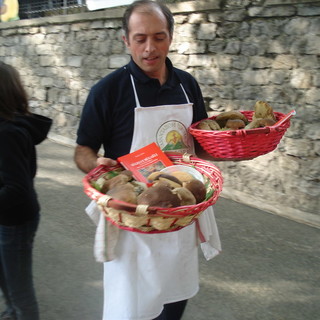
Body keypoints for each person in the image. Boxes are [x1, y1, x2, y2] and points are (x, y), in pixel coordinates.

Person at [74, 1, 221, 319]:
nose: (150, 48)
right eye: (140, 38)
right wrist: (101, 167)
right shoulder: (107, 92)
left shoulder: (187, 85)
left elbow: (200, 146)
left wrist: (232, 148)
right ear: (126, 40)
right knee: (134, 308)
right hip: (133, 221)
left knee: (174, 302)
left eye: (159, 37)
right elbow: (82, 149)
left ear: (171, 37)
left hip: (180, 214)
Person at [0, 61, 52, 320]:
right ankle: (12, 312)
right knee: (5, 276)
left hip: (16, 221)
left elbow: (17, 190)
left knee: (19, 286)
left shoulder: (8, 133)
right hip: (6, 216)